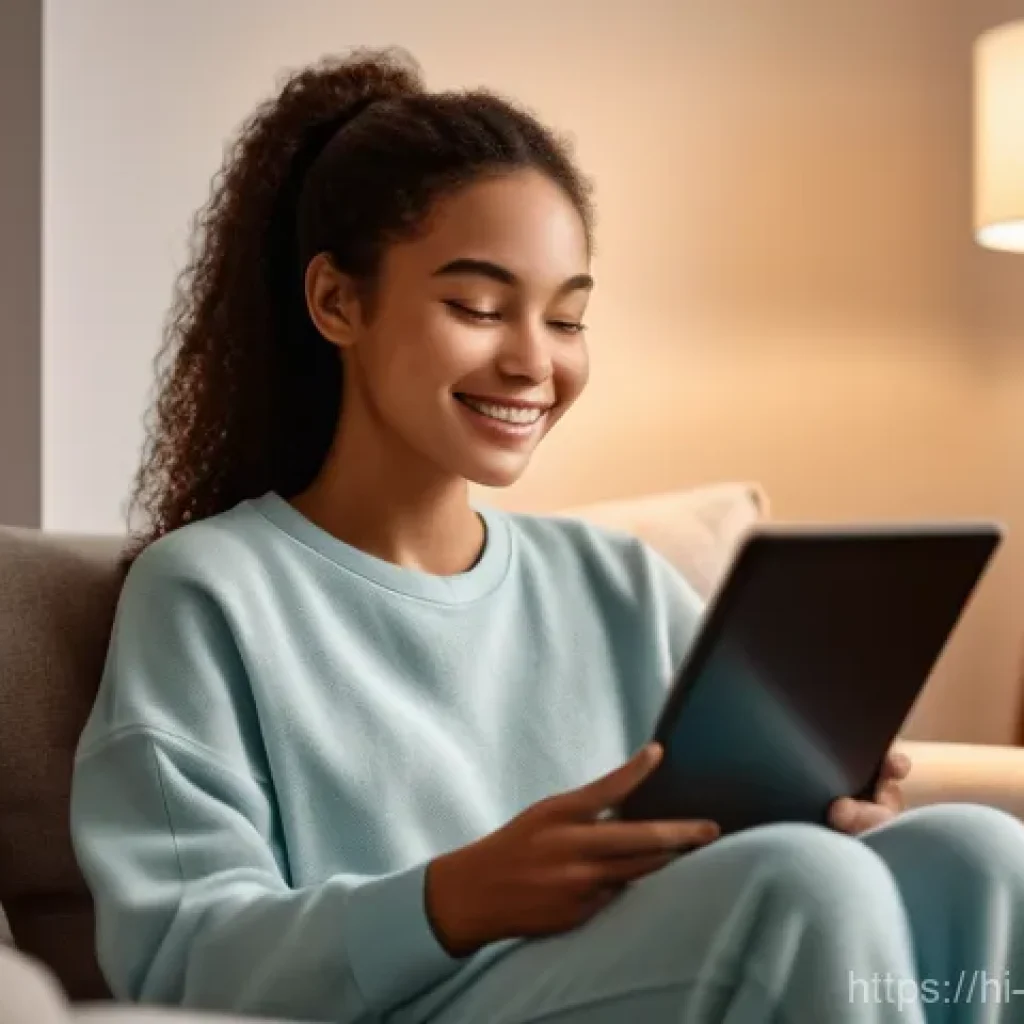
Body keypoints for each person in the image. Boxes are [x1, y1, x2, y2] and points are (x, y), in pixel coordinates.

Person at [69, 47, 1024, 1024]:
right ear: (337, 302)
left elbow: (732, 867)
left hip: (651, 981)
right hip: (411, 1006)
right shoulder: (209, 591)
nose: (533, 361)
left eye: (566, 320)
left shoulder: (621, 582)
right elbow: (178, 957)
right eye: (478, 308)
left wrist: (827, 811)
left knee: (979, 852)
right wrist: (451, 898)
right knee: (806, 884)